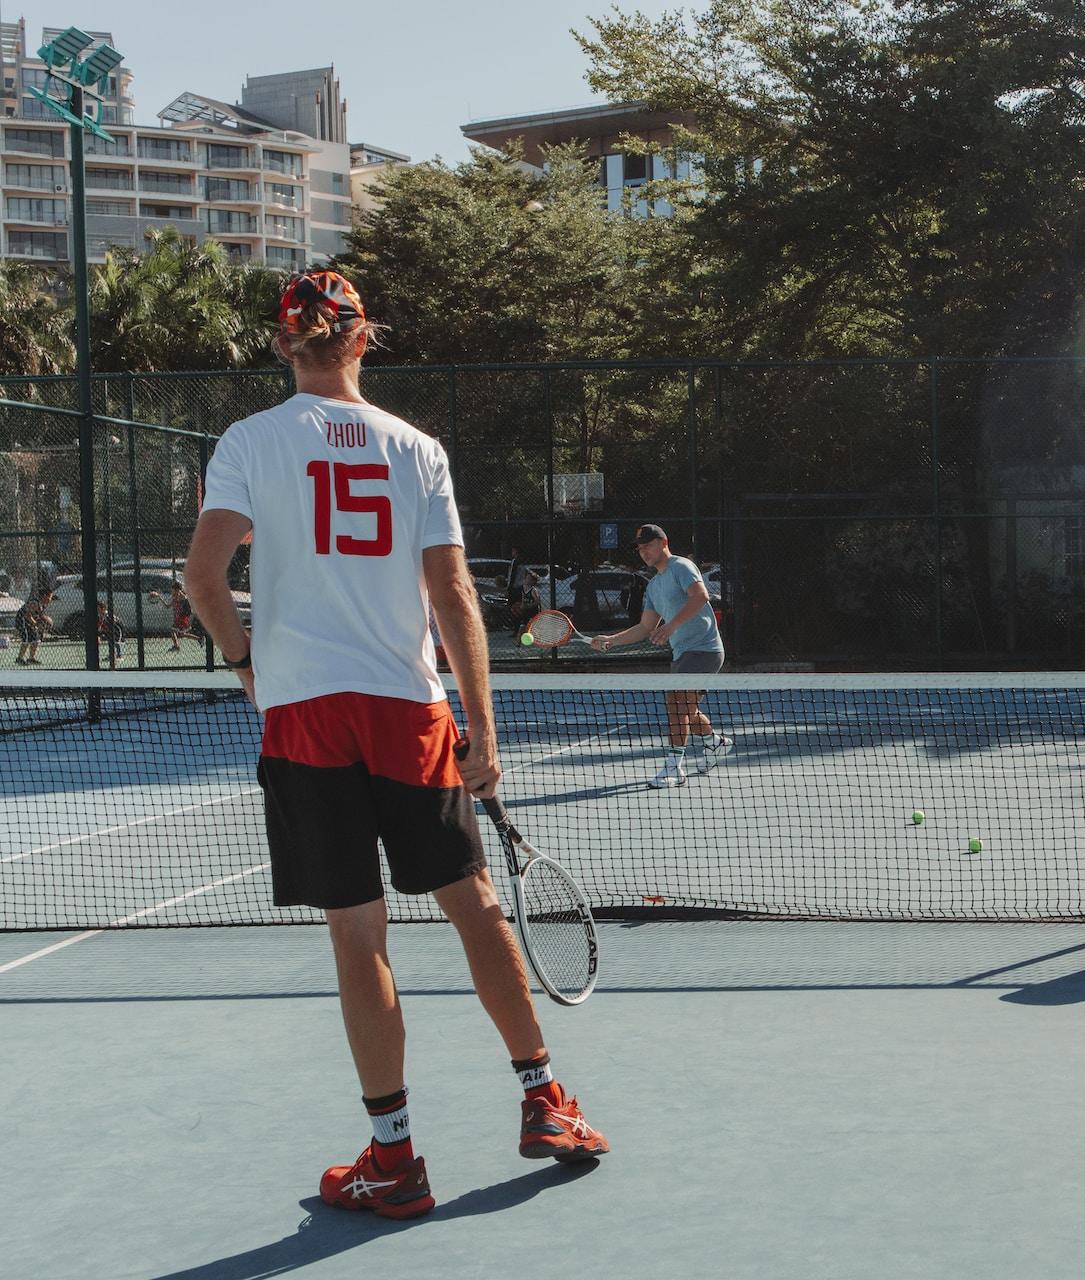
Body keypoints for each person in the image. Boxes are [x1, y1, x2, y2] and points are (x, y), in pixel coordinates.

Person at [183, 269, 608, 1221]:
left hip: (306, 717)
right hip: (409, 712)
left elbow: (204, 580)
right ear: (362, 338)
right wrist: (484, 733)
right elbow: (455, 598)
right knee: (477, 907)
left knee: (357, 934)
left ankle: (394, 1161)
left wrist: (250, 667)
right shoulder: (418, 448)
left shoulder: (249, 441)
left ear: (285, 343)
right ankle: (546, 1100)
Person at [589, 523, 731, 788]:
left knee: (675, 701)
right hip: (683, 652)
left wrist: (671, 626)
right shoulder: (653, 586)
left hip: (704, 648)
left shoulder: (681, 566)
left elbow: (700, 596)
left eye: (648, 545)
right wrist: (611, 641)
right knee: (686, 708)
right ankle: (715, 742)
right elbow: (645, 627)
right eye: (640, 548)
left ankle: (674, 768)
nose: (643, 551)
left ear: (663, 542)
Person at [13, 587, 50, 664]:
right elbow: (27, 615)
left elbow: (38, 617)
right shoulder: (35, 603)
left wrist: (46, 621)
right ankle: (19, 658)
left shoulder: (42, 605)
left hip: (29, 622)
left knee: (35, 639)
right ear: (44, 596)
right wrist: (36, 624)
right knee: (26, 639)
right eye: (49, 597)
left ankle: (31, 658)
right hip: (22, 621)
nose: (50, 599)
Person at [95, 601, 126, 668]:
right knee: (110, 641)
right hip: (108, 630)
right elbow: (100, 626)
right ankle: (111, 654)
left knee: (117, 642)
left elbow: (113, 623)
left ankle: (120, 655)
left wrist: (102, 631)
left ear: (103, 608)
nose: (97, 610)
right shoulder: (100, 616)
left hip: (117, 629)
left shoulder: (107, 615)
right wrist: (99, 635)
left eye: (98, 608)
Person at [168, 583, 194, 651]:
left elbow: (184, 599)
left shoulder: (181, 596)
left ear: (177, 590)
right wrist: (159, 597)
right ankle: (199, 638)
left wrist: (179, 593)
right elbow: (168, 606)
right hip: (178, 617)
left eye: (173, 589)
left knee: (173, 630)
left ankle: (176, 646)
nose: (172, 591)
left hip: (181, 617)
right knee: (182, 634)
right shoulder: (175, 596)